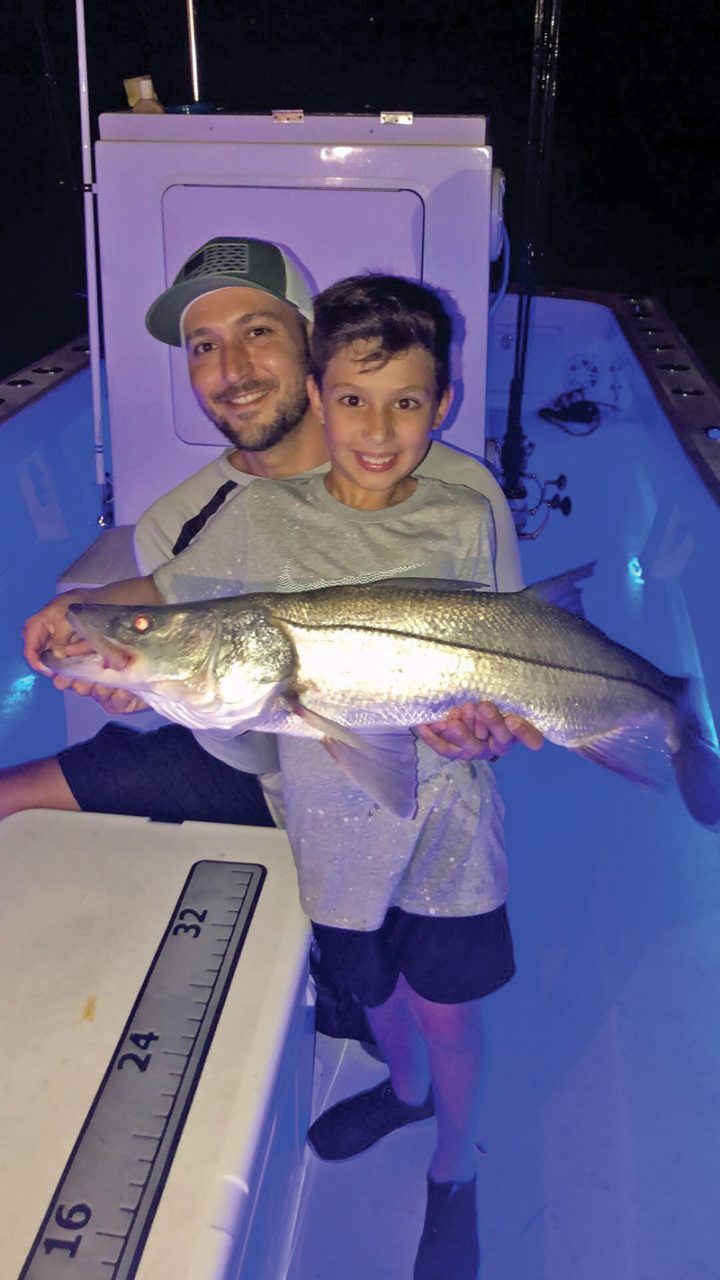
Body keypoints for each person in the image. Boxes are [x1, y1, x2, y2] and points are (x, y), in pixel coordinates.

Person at [24, 272, 537, 1278]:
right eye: (205, 345)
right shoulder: (246, 512)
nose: (377, 426)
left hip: (438, 820)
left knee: (449, 1004)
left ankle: (453, 1165)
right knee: (368, 982)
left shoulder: (462, 503)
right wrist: (92, 629)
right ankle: (404, 1086)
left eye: (254, 331)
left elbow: (503, 649)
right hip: (312, 812)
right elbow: (166, 596)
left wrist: (487, 723)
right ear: (323, 383)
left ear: (441, 401)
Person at [4, 236, 538, 833]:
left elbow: (506, 687)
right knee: (12, 793)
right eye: (204, 346)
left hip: (406, 784)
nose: (232, 369)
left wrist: (481, 735)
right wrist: (153, 687)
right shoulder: (174, 522)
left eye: (257, 332)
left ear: (311, 343)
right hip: (258, 765)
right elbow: (253, 752)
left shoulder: (455, 489)